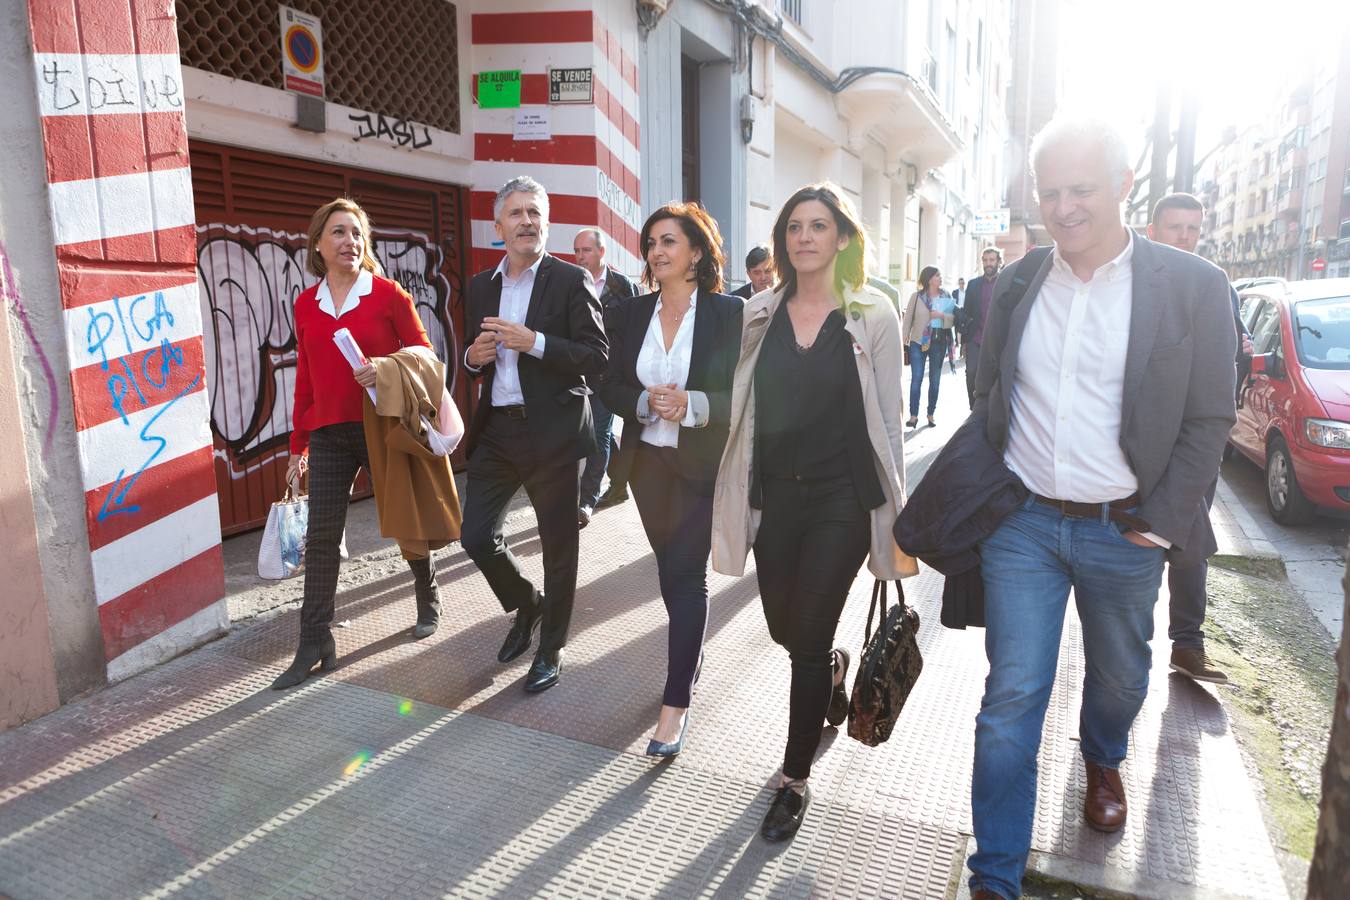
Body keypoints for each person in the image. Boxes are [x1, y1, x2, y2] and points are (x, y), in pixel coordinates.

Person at [966, 118, 1237, 900]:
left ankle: (1103, 754)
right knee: (1012, 693)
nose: (1063, 207)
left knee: (1121, 677)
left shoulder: (1191, 286)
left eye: (1081, 188)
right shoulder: (1016, 282)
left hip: (1127, 528)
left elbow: (1209, 416)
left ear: (1124, 185)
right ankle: (995, 877)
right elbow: (991, 389)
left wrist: (1161, 523)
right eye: (1049, 192)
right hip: (1023, 524)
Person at [711, 182, 917, 843]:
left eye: (818, 225)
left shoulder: (873, 316)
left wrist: (895, 513)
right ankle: (832, 667)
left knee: (804, 634)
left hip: (841, 499)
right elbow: (740, 405)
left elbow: (889, 420)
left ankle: (793, 778)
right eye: (794, 225)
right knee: (784, 628)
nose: (804, 236)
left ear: (842, 238)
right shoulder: (758, 313)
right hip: (777, 495)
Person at [273, 197, 445, 690]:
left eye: (356, 233)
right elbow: (305, 376)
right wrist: (297, 445)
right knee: (322, 537)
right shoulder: (307, 303)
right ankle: (313, 640)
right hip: (328, 431)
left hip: (381, 424)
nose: (350, 241)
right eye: (339, 233)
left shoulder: (388, 294)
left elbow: (426, 356)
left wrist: (386, 368)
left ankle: (427, 591)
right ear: (318, 245)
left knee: (402, 519)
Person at [598, 203, 743, 757]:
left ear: (698, 252)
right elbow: (606, 383)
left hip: (703, 467)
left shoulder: (729, 313)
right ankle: (691, 653)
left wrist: (696, 404)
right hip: (648, 470)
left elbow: (749, 395)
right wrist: (639, 402)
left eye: (669, 241)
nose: (657, 251)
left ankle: (675, 702)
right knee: (670, 574)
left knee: (685, 577)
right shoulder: (632, 314)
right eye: (651, 243)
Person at [461, 176, 608, 694]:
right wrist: (471, 359)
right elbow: (472, 353)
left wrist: (537, 342)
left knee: (558, 547)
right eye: (517, 213)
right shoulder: (482, 285)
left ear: (546, 223)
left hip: (553, 433)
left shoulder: (570, 281)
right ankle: (528, 604)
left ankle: (551, 648)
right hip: (498, 430)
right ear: (498, 226)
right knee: (475, 535)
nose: (527, 221)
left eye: (535, 213)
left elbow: (596, 357)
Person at [1145, 191, 1252, 686]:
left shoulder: (1216, 285)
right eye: (1175, 228)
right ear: (1153, 230)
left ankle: (1188, 643)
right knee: (1139, 545)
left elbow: (1235, 359)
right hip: (1144, 441)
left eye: (1192, 228)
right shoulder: (1136, 280)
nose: (1185, 237)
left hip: (1195, 442)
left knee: (1190, 541)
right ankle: (1127, 649)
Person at [574, 227, 638, 527]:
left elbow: (631, 332)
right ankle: (622, 482)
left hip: (608, 374)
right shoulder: (574, 283)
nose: (579, 256)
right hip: (580, 372)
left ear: (601, 252)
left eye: (585, 250)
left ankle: (586, 499)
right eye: (576, 251)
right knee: (604, 433)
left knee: (597, 434)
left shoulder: (621, 285)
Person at [902, 266, 955, 428]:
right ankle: (913, 416)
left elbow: (953, 320)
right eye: (937, 275)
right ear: (929, 278)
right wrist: (904, 341)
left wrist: (940, 315)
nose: (940, 278)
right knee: (916, 379)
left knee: (935, 381)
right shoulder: (917, 297)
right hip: (918, 342)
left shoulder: (946, 296)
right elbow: (908, 320)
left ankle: (930, 414)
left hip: (938, 343)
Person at [960, 248, 1005, 408]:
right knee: (971, 373)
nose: (988, 264)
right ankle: (974, 408)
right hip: (976, 338)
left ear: (998, 262)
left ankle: (990, 409)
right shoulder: (973, 285)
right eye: (985, 260)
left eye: (992, 260)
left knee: (995, 377)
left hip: (997, 340)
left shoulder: (1005, 282)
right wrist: (964, 342)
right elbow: (966, 314)